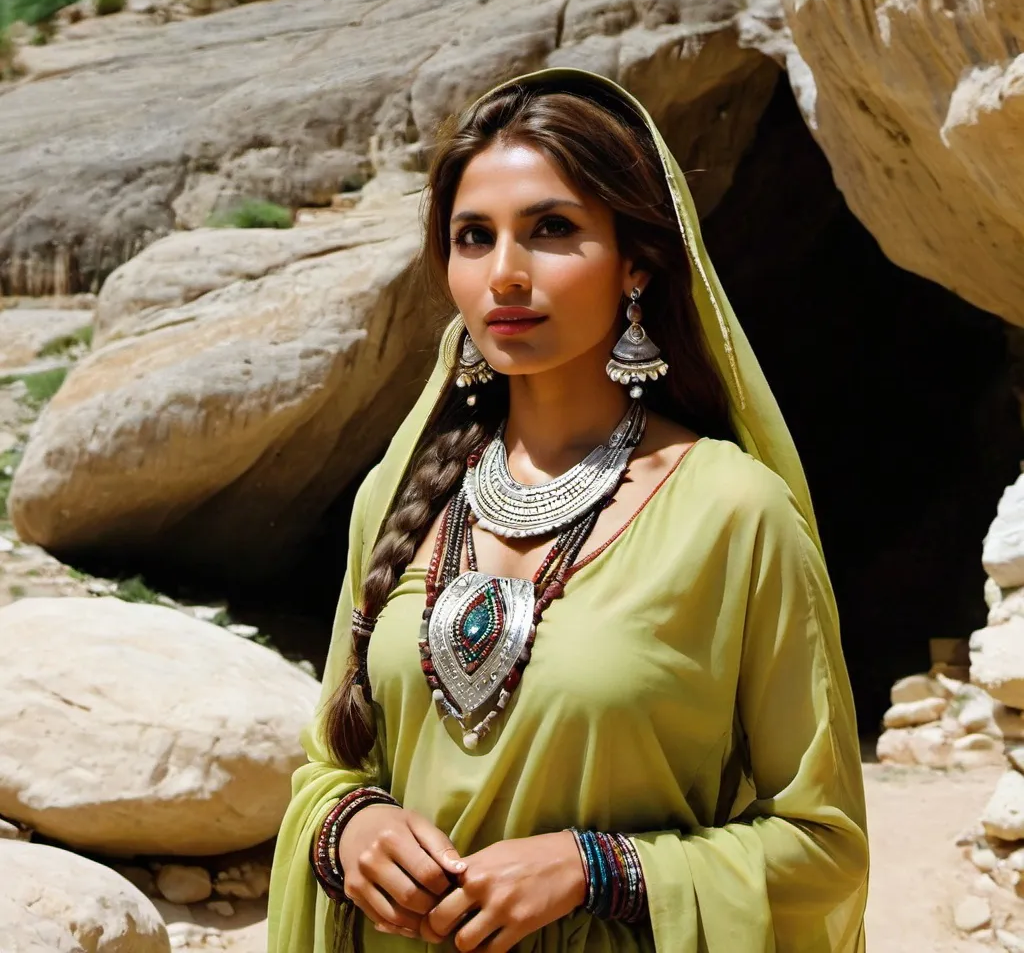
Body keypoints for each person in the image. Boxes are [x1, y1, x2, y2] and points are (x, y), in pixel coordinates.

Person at [267, 66, 869, 953]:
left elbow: (824, 849)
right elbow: (332, 765)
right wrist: (348, 826)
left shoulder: (733, 512)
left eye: (551, 230)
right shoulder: (398, 496)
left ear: (635, 262)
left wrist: (599, 868)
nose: (504, 274)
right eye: (474, 237)